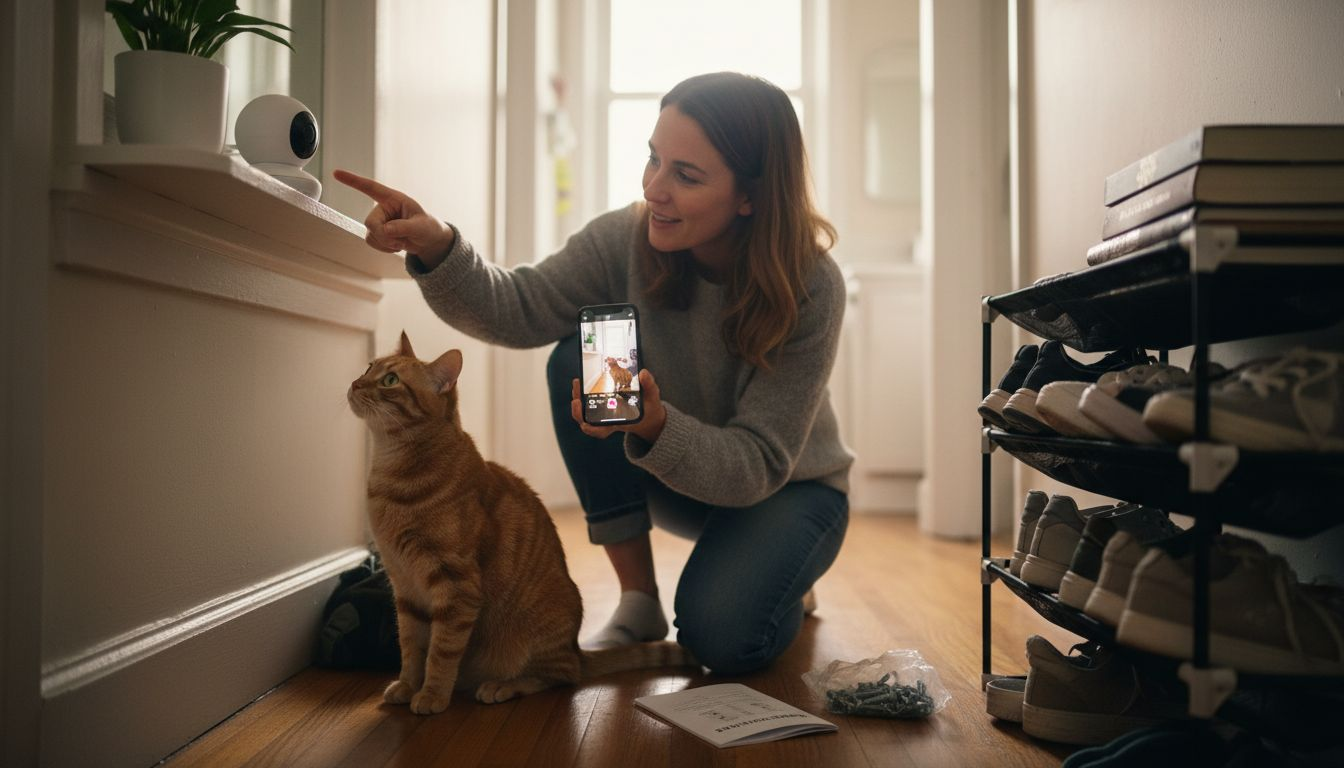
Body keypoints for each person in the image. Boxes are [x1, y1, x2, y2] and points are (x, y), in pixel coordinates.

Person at [335, 71, 853, 676]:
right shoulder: (626, 238)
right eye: (654, 160)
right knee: (570, 359)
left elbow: (758, 464)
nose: (655, 188)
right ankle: (639, 599)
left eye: (685, 176)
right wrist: (435, 244)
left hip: (790, 490)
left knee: (723, 639)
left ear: (751, 196)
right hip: (681, 482)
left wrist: (656, 426)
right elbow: (520, 308)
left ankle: (785, 576)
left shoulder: (813, 286)